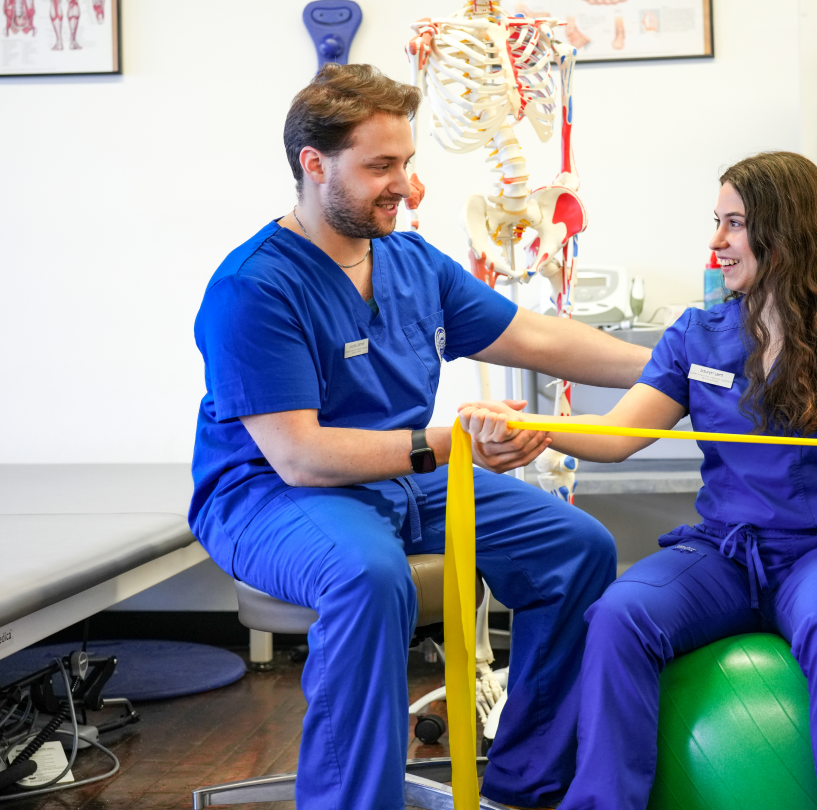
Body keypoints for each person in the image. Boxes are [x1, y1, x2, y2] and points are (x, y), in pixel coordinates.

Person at [189, 63, 651, 810]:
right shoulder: (255, 287)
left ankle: (525, 782)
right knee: (368, 579)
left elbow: (533, 336)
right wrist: (455, 442)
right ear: (314, 165)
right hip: (274, 496)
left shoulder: (409, 262)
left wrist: (680, 369)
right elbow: (301, 456)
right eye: (380, 167)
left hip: (406, 482)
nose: (405, 185)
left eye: (406, 163)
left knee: (578, 548)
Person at [459, 151, 817, 810]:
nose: (716, 241)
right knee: (618, 616)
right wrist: (534, 431)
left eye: (734, 224)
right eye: (716, 222)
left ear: (785, 231)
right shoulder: (696, 334)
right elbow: (622, 435)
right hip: (724, 553)